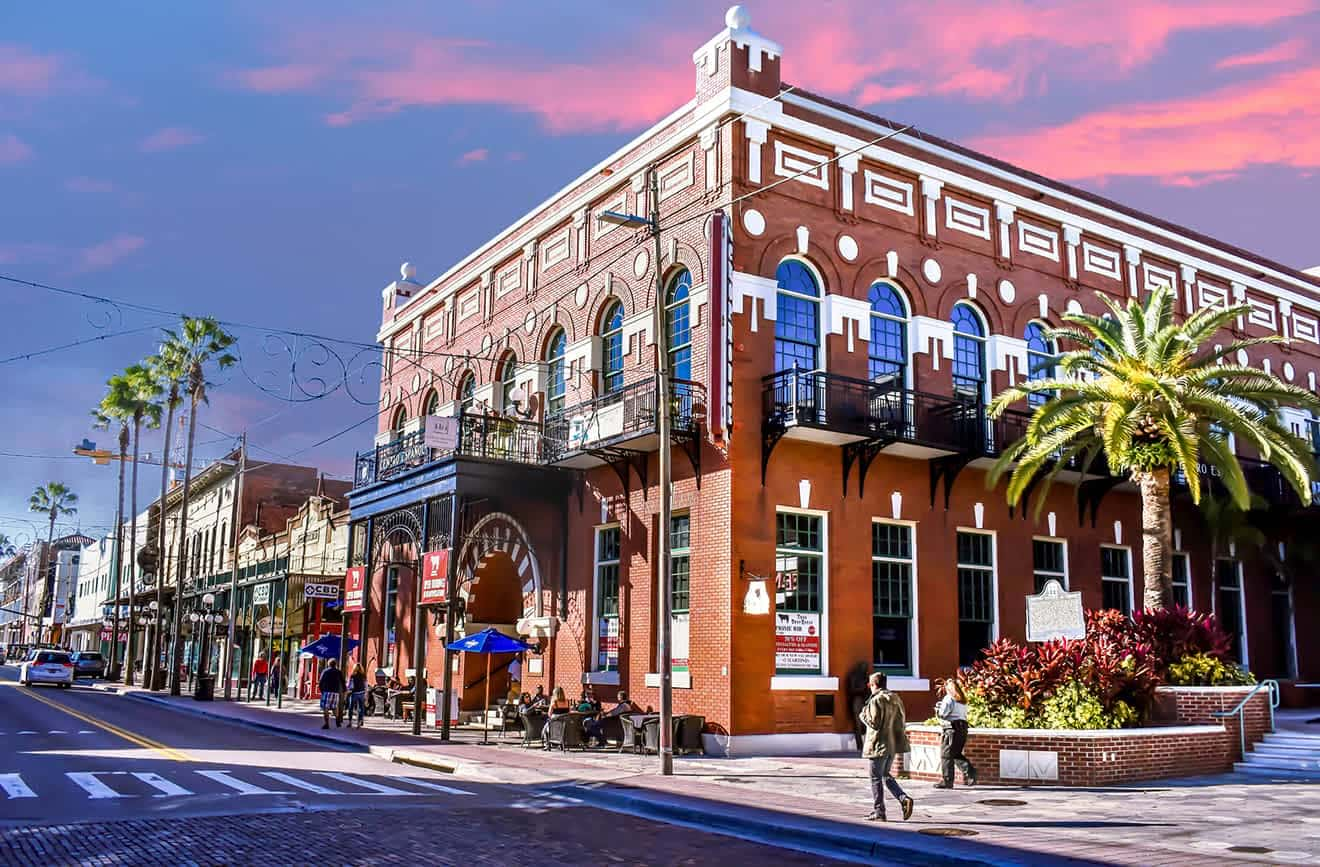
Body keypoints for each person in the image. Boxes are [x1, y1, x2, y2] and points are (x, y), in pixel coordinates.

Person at [859, 671, 914, 822]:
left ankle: (879, 811)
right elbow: (902, 720)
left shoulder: (876, 700)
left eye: (870, 684)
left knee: (875, 778)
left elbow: (874, 723)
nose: (869, 687)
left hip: (878, 744)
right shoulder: (895, 698)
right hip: (892, 744)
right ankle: (903, 798)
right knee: (885, 775)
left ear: (873, 684)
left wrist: (863, 715)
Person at [935, 676, 977, 788]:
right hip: (962, 728)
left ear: (949, 688)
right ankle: (970, 773)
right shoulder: (962, 700)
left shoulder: (949, 699)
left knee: (946, 755)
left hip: (951, 729)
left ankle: (947, 781)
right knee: (956, 753)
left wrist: (937, 710)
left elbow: (943, 714)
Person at [319, 659, 346, 729]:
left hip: (327, 691)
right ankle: (337, 722)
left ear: (329, 664)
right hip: (335, 692)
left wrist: (322, 691)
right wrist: (344, 691)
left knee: (325, 708)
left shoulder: (325, 671)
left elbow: (320, 682)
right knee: (335, 707)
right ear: (335, 664)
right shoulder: (338, 672)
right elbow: (343, 682)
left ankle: (326, 724)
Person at [347, 663, 368, 728]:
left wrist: (348, 690)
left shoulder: (352, 676)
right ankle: (359, 722)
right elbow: (366, 685)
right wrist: (366, 693)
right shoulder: (363, 676)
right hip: (361, 692)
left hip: (354, 693)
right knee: (361, 708)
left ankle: (350, 722)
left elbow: (350, 685)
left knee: (351, 707)